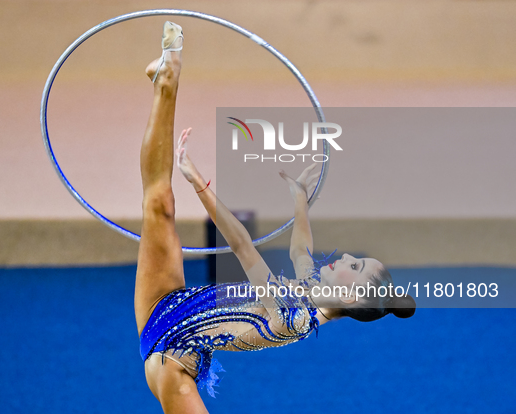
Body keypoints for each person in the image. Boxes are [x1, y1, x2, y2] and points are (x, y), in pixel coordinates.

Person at [136, 21, 415, 414]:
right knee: (159, 203)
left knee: (163, 199)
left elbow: (241, 247)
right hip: (166, 304)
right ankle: (166, 80)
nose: (348, 257)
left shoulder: (294, 315)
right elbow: (302, 247)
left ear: (350, 295)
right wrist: (299, 198)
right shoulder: (308, 290)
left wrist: (199, 181)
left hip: (174, 364)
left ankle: (168, 83)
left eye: (356, 265)